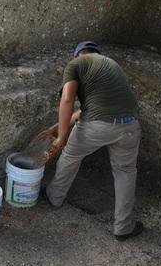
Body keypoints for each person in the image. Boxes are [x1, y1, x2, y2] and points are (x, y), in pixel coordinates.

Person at [43, 41, 144, 240]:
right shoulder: (109, 66)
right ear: (97, 53)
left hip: (97, 126)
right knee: (125, 171)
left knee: (71, 154)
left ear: (78, 54)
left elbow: (67, 99)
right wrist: (58, 127)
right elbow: (84, 109)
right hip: (130, 126)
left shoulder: (75, 65)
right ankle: (123, 228)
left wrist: (61, 137)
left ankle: (54, 197)